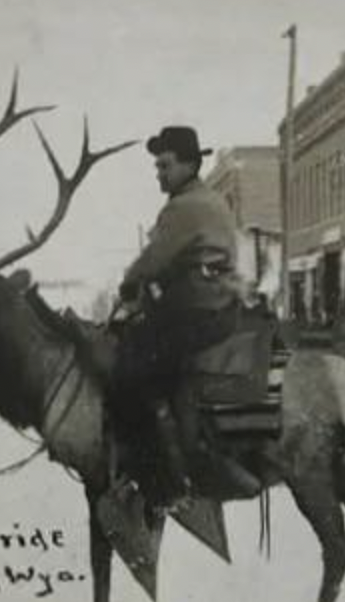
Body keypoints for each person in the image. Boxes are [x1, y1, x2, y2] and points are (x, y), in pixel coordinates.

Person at [115, 125, 256, 507]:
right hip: (216, 307)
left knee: (131, 370)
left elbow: (152, 260)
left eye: (165, 164)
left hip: (198, 310)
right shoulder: (207, 200)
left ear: (189, 164)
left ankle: (168, 479)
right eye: (156, 165)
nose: (158, 172)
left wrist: (128, 289)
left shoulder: (184, 207)